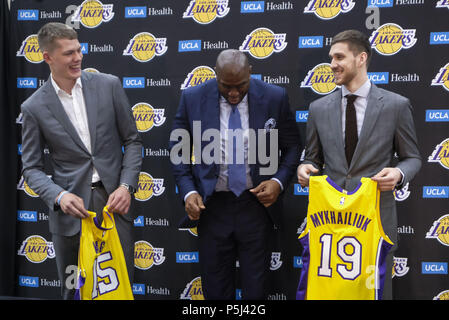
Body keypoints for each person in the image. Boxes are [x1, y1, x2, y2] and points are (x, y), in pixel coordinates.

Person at [20, 22, 142, 299]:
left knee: (119, 287)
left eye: (78, 50)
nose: (77, 58)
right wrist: (59, 196)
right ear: (47, 57)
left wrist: (126, 186)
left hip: (114, 207)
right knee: (74, 290)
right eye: (68, 53)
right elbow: (31, 168)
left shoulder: (108, 85)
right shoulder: (33, 107)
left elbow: (133, 141)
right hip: (70, 215)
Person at [297, 30, 421, 299]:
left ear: (361, 58)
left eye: (339, 57)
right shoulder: (318, 108)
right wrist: (304, 167)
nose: (332, 64)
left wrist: (399, 173)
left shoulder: (396, 106)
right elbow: (312, 157)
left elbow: (413, 158)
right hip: (329, 227)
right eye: (331, 57)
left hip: (375, 222)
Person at [170, 49, 301, 299]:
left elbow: (293, 146)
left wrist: (277, 181)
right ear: (215, 75)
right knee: (216, 290)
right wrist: (189, 191)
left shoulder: (274, 97)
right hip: (212, 209)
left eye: (240, 86)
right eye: (225, 86)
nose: (233, 93)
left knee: (257, 290)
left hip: (256, 208)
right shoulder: (192, 98)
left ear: (250, 73)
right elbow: (179, 152)